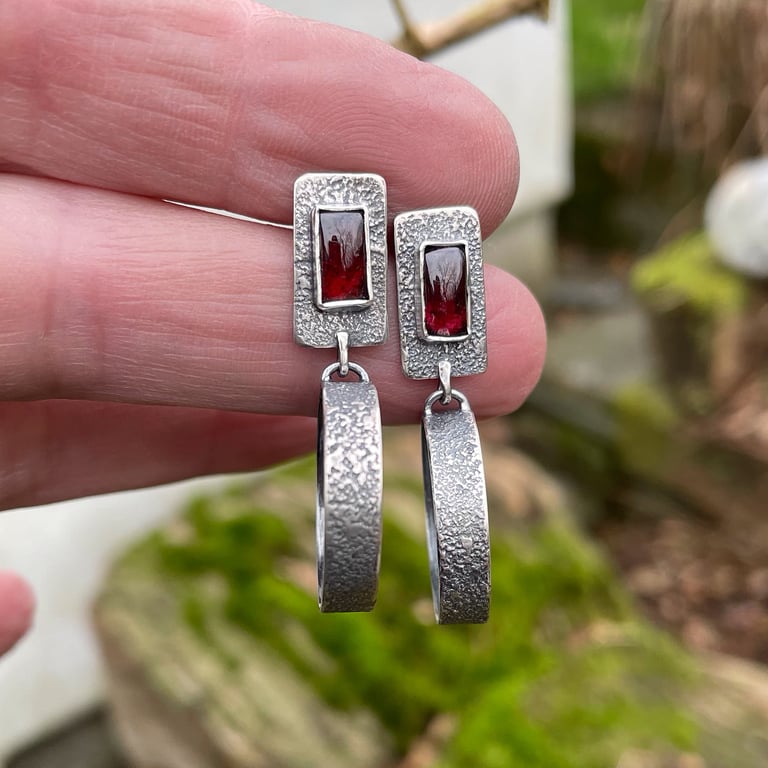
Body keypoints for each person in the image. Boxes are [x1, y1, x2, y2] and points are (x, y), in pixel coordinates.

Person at [0, 0, 547, 655]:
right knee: (405, 412)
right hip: (371, 355)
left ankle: (419, 587)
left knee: (431, 409)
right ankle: (383, 584)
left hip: (400, 363)